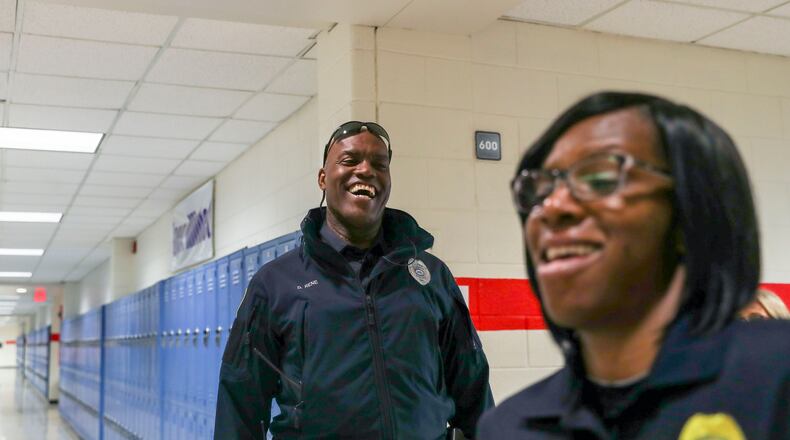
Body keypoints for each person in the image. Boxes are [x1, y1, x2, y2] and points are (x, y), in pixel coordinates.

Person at [477, 92, 790, 439]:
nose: (551, 206)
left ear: (692, 214)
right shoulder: (511, 426)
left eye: (599, 179)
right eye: (539, 189)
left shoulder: (776, 374)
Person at [215, 121, 493, 439]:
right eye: (350, 160)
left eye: (379, 164)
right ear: (323, 178)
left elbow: (473, 387)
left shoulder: (431, 277)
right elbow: (240, 400)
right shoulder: (276, 283)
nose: (365, 170)